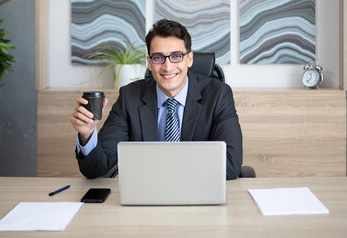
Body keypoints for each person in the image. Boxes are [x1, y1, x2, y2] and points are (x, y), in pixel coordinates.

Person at [70, 19, 243, 179]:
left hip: (198, 197)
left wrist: (164, 168)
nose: (167, 67)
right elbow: (97, 169)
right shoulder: (129, 97)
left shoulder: (218, 95)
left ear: (189, 59)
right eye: (158, 57)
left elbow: (230, 165)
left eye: (176, 56)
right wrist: (87, 134)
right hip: (145, 196)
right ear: (149, 62)